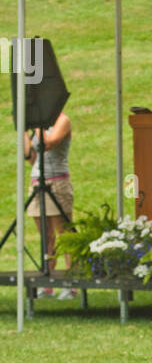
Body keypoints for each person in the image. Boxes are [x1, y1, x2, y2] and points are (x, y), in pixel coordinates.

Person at [23, 112, 77, 297]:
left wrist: (37, 126)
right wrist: (23, 131)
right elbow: (31, 158)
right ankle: (48, 283)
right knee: (46, 237)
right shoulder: (39, 125)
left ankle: (71, 284)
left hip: (57, 182)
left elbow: (48, 144)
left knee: (65, 236)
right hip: (37, 183)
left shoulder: (62, 120)